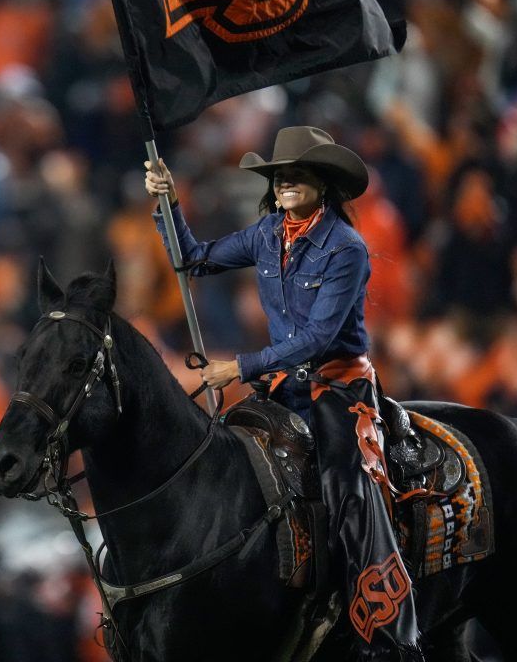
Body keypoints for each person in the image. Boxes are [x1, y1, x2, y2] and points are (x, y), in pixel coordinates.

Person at [144, 126, 422, 661]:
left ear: (323, 183)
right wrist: (168, 203)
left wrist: (239, 367)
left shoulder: (347, 248)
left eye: (298, 173)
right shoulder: (267, 233)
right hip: (283, 384)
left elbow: (318, 338)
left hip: (339, 385)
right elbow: (194, 258)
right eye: (279, 175)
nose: (287, 181)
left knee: (347, 481)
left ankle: (382, 623)